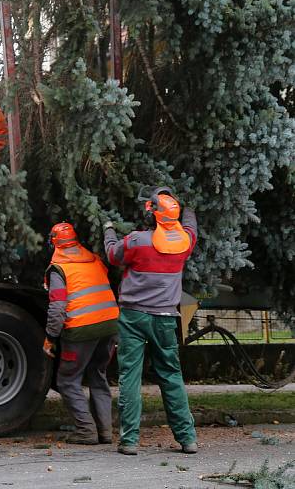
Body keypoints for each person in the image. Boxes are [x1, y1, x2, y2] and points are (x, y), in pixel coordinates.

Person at [104, 186, 198, 456]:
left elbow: (113, 255)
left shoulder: (137, 241)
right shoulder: (184, 243)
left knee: (130, 376)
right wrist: (187, 208)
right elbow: (191, 227)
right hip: (166, 317)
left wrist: (108, 230)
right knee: (171, 375)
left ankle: (130, 441)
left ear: (152, 216)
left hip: (133, 316)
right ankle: (187, 439)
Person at [43, 222, 119, 445]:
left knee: (67, 380)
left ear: (54, 242)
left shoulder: (59, 268)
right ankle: (105, 431)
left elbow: (57, 308)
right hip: (110, 325)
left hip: (81, 329)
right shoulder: (94, 259)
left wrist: (50, 337)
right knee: (98, 375)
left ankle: (86, 430)